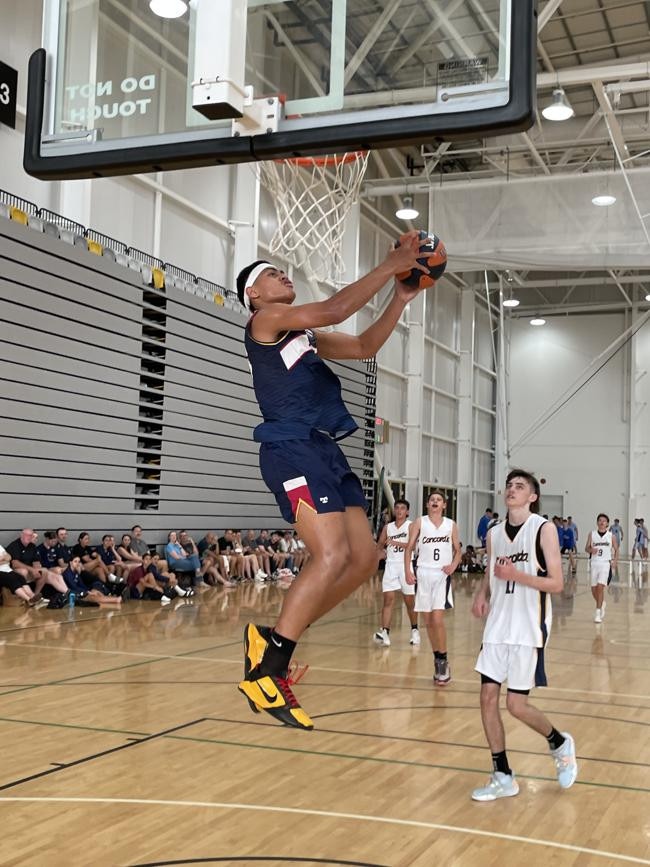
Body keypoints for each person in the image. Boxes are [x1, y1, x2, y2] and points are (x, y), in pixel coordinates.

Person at [235, 234, 426, 730]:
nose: (283, 275)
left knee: (364, 558)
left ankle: (274, 638)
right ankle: (269, 670)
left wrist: (399, 298)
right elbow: (338, 308)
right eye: (271, 273)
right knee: (332, 555)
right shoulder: (265, 321)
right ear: (254, 295)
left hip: (323, 448)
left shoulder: (305, 338)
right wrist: (391, 264)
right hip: (290, 446)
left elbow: (364, 346)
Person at [470, 468, 577, 801]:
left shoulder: (542, 530)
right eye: (508, 486)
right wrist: (483, 592)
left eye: (519, 486)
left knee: (516, 705)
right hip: (497, 627)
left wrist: (517, 574)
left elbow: (557, 584)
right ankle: (502, 774)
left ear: (532, 496)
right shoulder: (494, 533)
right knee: (487, 698)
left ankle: (559, 742)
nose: (511, 490)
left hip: (528, 628)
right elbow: (492, 573)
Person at [404, 491, 461, 684]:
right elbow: (409, 548)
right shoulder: (420, 523)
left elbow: (458, 550)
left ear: (444, 505)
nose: (435, 502)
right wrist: (407, 571)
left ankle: (443, 660)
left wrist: (454, 565)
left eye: (439, 500)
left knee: (437, 619)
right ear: (427, 504)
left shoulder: (450, 525)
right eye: (432, 500)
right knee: (428, 621)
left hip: (441, 574)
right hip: (423, 573)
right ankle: (437, 658)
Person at [373, 498, 419, 647]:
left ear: (407, 512)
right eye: (397, 508)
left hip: (406, 566)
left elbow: (411, 546)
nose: (399, 511)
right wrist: (378, 552)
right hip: (391, 566)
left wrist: (395, 542)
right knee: (388, 600)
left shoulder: (411, 526)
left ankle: (414, 630)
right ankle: (385, 632)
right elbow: (380, 545)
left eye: (402, 508)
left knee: (409, 602)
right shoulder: (388, 527)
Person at [586, 513, 618, 623]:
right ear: (597, 522)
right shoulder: (592, 534)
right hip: (594, 563)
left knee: (600, 587)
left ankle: (598, 613)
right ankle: (602, 603)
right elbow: (586, 548)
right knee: (593, 590)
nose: (602, 522)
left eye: (604, 521)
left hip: (605, 564)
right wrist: (591, 550)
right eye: (600, 520)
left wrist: (615, 561)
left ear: (607, 523)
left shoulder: (611, 536)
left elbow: (616, 549)